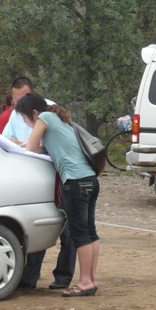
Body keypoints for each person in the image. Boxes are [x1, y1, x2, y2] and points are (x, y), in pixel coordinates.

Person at [17, 92, 100, 297]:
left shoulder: (44, 118)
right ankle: (91, 279)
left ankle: (84, 282)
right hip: (90, 179)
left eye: (25, 119)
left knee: (80, 235)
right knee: (90, 233)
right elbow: (49, 148)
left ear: (34, 113)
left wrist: (19, 144)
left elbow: (30, 147)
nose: (27, 123)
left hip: (74, 182)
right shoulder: (58, 119)